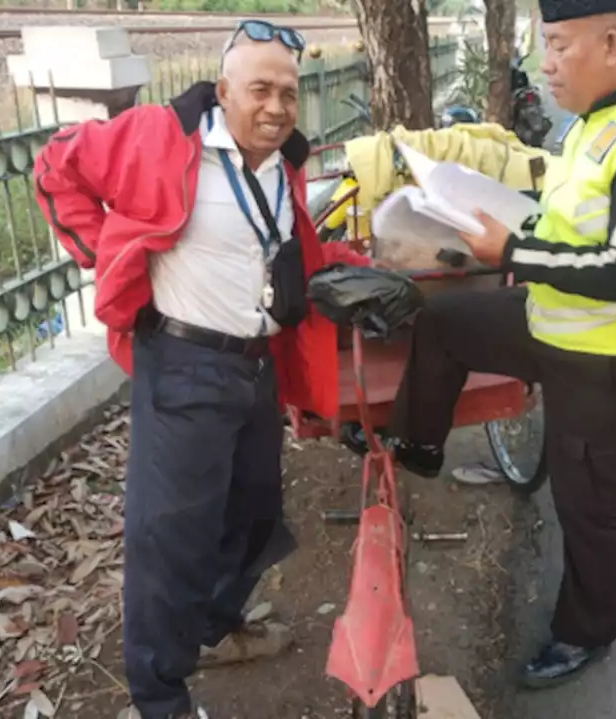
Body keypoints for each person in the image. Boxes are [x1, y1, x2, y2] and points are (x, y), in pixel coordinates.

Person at [347, 0, 616, 690]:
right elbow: (567, 222)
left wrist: (514, 247)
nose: (544, 62)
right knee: (446, 324)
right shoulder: (594, 125)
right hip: (556, 319)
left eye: (556, 45)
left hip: (612, 357)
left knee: (593, 505)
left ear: (611, 42)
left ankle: (586, 632)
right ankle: (420, 443)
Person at [33, 20, 367, 719]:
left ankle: (211, 629)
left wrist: (357, 270)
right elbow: (55, 165)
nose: (276, 107)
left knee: (253, 517)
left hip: (254, 367)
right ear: (223, 91)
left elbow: (285, 255)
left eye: (287, 93)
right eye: (259, 90)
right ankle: (160, 697)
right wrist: (109, 256)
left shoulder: (284, 163)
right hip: (184, 360)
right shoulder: (162, 136)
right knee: (171, 542)